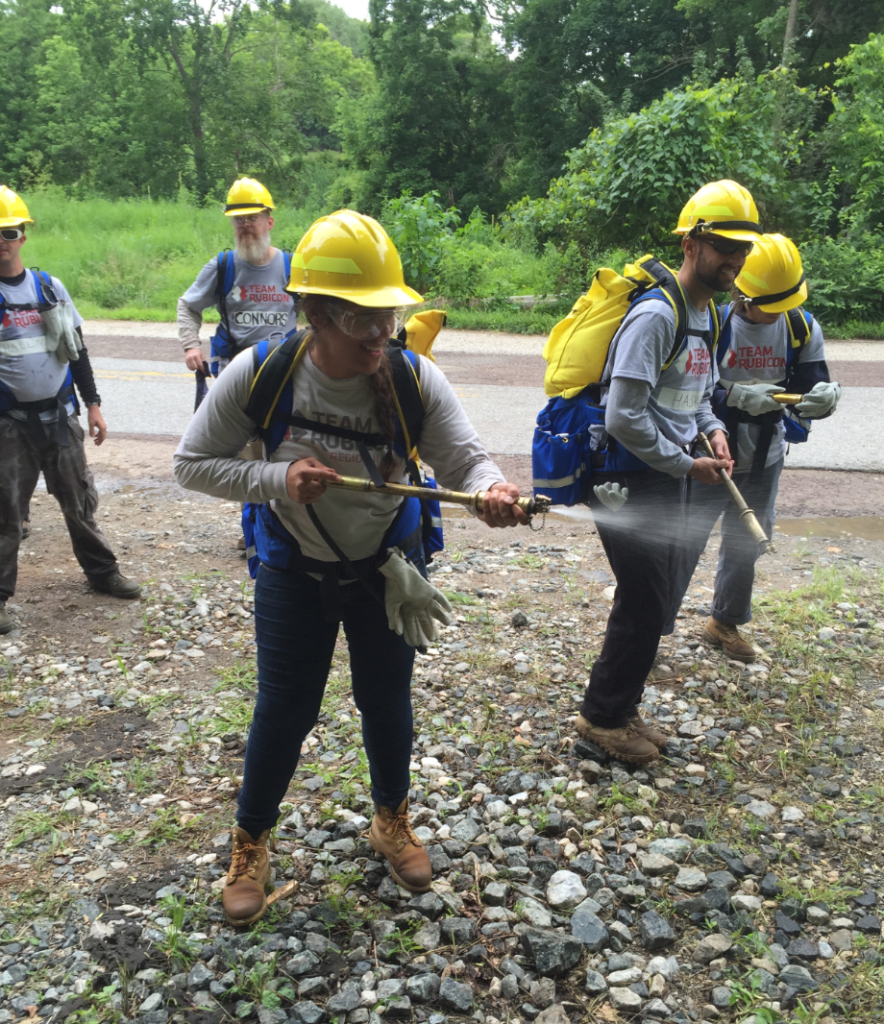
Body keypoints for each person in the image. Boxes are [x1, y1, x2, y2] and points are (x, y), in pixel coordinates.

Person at [173, 209, 528, 926]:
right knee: (285, 710)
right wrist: (277, 480)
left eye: (389, 315)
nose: (381, 334)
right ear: (315, 313)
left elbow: (465, 459)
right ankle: (250, 843)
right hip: (291, 571)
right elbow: (191, 466)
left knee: (386, 699)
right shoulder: (263, 374)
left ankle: (391, 820)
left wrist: (490, 490)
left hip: (384, 569)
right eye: (361, 319)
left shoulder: (411, 377)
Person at [574, 180, 764, 765]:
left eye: (745, 249)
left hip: (668, 471)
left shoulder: (706, 313)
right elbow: (623, 415)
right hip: (626, 476)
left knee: (650, 599)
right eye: (726, 246)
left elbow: (698, 395)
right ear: (692, 243)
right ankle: (602, 719)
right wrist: (686, 461)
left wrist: (715, 431)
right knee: (647, 598)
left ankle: (619, 706)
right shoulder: (657, 314)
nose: (736, 258)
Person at [667, 233, 840, 662]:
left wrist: (821, 400)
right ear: (743, 292)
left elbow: (806, 388)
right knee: (683, 544)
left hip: (766, 456)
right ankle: (653, 626)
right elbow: (687, 394)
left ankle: (724, 622)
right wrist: (735, 398)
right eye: (771, 305)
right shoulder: (715, 323)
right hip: (709, 453)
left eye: (788, 303)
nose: (781, 314)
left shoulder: (800, 327)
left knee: (746, 543)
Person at [0, 186, 140, 635]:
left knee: (79, 503)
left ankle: (102, 575)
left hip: (60, 417)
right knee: (4, 515)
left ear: (23, 236)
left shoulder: (49, 287)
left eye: (9, 231)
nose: (2, 240)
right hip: (8, 426)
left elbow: (76, 351)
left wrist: (93, 405)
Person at [178, 177, 297, 378]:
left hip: (283, 369)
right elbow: (188, 306)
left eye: (252, 218)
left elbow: (320, 311)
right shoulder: (223, 266)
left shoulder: (292, 266)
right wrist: (191, 346)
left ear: (269, 222)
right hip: (234, 371)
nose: (245, 225)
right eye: (239, 219)